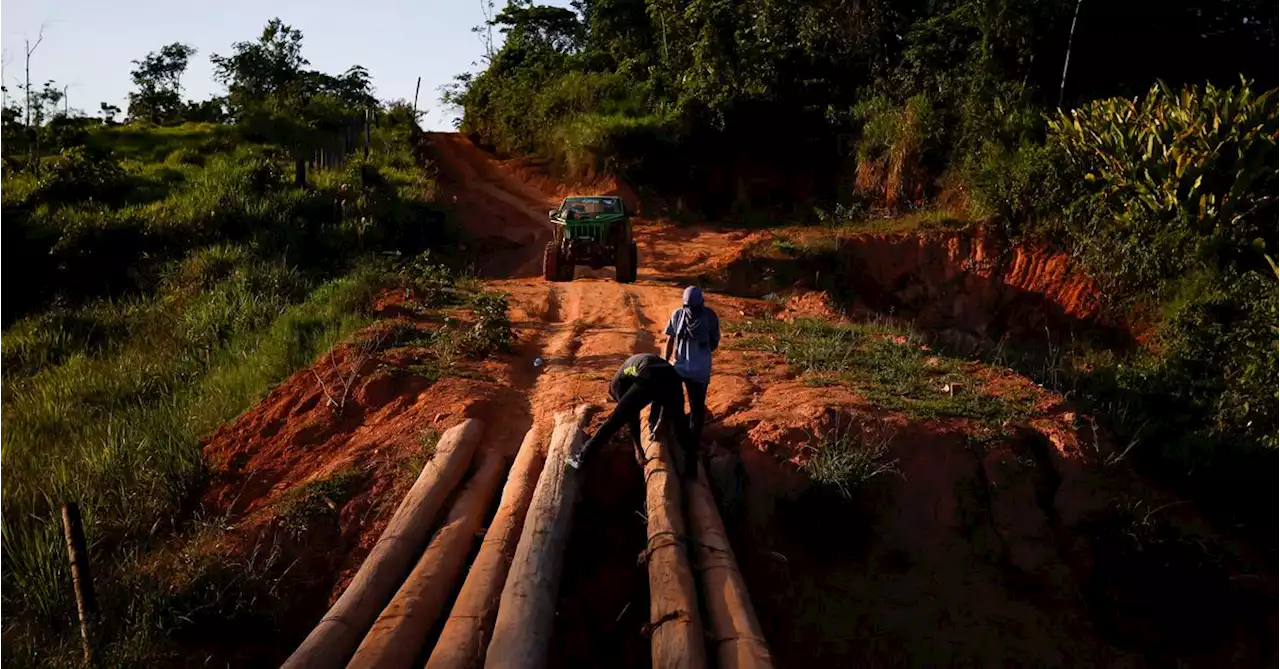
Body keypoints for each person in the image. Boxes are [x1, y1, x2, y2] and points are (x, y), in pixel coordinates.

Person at [566, 353, 698, 478]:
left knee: (614, 421)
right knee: (681, 424)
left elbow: (630, 416)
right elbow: (662, 400)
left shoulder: (616, 386)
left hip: (649, 374)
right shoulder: (629, 370)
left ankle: (581, 459)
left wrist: (638, 448)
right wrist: (659, 424)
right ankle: (692, 469)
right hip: (672, 377)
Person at [654, 286, 720, 448]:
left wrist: (667, 360)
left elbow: (671, 340)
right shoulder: (702, 316)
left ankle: (685, 441)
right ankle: (683, 440)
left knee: (687, 407)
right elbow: (714, 342)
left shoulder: (685, 315)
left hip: (688, 370)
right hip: (690, 369)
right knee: (687, 406)